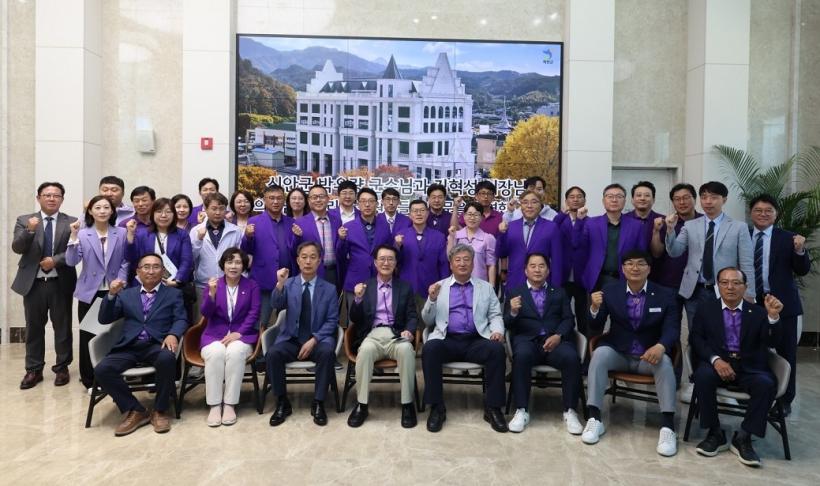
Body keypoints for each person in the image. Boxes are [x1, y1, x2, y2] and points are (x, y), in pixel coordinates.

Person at [582, 250, 680, 457]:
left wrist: (661, 346)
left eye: (640, 264)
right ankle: (594, 417)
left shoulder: (665, 295)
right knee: (599, 355)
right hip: (619, 353)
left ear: (649, 269)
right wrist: (594, 307)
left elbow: (672, 329)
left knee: (664, 363)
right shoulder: (611, 291)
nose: (635, 268)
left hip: (648, 357)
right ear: (623, 269)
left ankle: (667, 426)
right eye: (629, 264)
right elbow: (596, 325)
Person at [665, 181, 755, 401]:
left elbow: (746, 262)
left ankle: (725, 382)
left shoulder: (738, 227)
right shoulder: (691, 225)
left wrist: (748, 293)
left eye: (713, 197)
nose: (708, 201)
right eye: (704, 197)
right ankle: (697, 381)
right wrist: (670, 230)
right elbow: (675, 251)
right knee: (696, 336)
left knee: (726, 336)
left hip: (725, 292)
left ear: (724, 200)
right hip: (695, 291)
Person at [690, 267, 784, 467]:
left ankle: (744, 437)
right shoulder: (706, 309)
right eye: (724, 283)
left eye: (736, 283)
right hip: (717, 364)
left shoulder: (759, 312)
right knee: (702, 377)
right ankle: (715, 432)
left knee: (766, 384)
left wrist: (773, 318)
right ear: (718, 286)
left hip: (749, 366)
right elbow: (696, 339)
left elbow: (773, 342)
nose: (730, 287)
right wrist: (715, 360)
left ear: (745, 286)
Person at [93, 253, 188, 436]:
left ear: (163, 271)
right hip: (129, 346)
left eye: (156, 267)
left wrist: (173, 334)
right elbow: (104, 319)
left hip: (157, 344)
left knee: (167, 359)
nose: (151, 271)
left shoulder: (174, 294)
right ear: (138, 272)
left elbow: (181, 319)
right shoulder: (126, 294)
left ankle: (160, 410)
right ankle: (136, 410)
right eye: (146, 267)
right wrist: (111, 295)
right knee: (102, 370)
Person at [421, 244, 508, 433]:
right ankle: (436, 407)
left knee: (496, 350)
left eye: (466, 260)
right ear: (451, 264)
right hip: (447, 339)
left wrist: (497, 331)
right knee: (430, 349)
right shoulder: (439, 286)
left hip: (476, 339)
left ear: (473, 264)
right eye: (458, 260)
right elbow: (427, 320)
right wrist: (432, 300)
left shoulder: (485, 287)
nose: (462, 264)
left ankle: (493, 408)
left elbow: (495, 315)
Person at [505, 253, 582, 434]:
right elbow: (506, 323)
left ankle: (570, 411)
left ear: (548, 271)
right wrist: (513, 312)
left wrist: (558, 336)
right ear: (526, 270)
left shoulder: (559, 292)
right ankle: (521, 410)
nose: (537, 270)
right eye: (533, 266)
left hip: (555, 342)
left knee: (571, 357)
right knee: (521, 356)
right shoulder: (515, 292)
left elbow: (569, 319)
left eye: (541, 266)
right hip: (527, 342)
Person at [748, 194, 810, 414]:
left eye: (768, 211)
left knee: (786, 353)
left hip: (783, 305)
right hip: (751, 303)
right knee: (752, 349)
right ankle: (755, 393)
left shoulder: (789, 238)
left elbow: (802, 269)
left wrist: (800, 250)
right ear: (751, 213)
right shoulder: (743, 235)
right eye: (758, 210)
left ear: (776, 215)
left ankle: (785, 400)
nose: (763, 214)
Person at [12, 182, 78, 389]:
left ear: (62, 199)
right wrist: (29, 231)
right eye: (47, 195)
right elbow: (17, 247)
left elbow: (76, 250)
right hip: (33, 283)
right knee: (34, 327)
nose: (51, 198)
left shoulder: (72, 222)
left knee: (63, 327)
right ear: (38, 198)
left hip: (60, 282)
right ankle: (34, 369)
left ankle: (62, 367)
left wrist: (55, 261)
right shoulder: (25, 220)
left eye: (56, 195)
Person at [266, 242, 339, 427]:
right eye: (304, 257)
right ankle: (282, 402)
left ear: (319, 261)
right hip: (292, 339)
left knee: (327, 353)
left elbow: (332, 321)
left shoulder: (329, 289)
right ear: (298, 260)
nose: (308, 261)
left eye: (313, 257)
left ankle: (319, 402)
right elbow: (276, 304)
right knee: (273, 354)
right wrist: (280, 284)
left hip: (318, 340)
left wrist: (314, 340)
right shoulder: (289, 284)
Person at [346, 245, 418, 428]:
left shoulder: (405, 287)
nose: (386, 263)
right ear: (375, 263)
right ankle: (362, 405)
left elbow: (412, 315)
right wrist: (358, 299)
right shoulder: (366, 286)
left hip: (396, 336)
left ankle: (407, 404)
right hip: (372, 336)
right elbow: (354, 318)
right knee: (365, 351)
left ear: (396, 263)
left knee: (407, 350)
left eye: (390, 259)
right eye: (382, 259)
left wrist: (409, 331)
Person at [66, 195, 130, 388]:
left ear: (112, 211)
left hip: (115, 290)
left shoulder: (121, 232)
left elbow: (126, 260)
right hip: (90, 292)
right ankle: (89, 380)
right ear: (90, 211)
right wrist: (73, 237)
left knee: (114, 334)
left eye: (106, 207)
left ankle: (113, 376)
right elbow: (71, 261)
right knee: (89, 335)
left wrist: (121, 281)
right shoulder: (83, 234)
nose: (102, 211)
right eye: (98, 207)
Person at [200, 248, 260, 427]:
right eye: (229, 262)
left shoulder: (252, 286)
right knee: (216, 353)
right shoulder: (213, 285)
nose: (233, 266)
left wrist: (239, 333)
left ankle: (230, 404)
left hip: (242, 336)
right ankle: (214, 405)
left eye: (238, 262)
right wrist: (211, 294)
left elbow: (254, 313)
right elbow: (206, 313)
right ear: (223, 265)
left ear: (244, 266)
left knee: (234, 352)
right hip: (214, 336)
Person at [572, 183, 648, 293]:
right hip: (596, 280)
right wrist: (579, 220)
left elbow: (641, 254)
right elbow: (576, 245)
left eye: (619, 196)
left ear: (625, 201)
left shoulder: (636, 226)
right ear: (603, 201)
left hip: (625, 280)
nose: (614, 200)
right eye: (610, 196)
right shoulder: (591, 223)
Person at [125, 198, 194, 318]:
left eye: (168, 212)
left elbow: (186, 260)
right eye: (159, 211)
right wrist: (130, 235)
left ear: (174, 214)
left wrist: (177, 280)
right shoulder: (142, 234)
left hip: (172, 286)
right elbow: (131, 258)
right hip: (146, 286)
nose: (163, 215)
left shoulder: (182, 234)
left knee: (173, 318)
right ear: (152, 214)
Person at [241, 184, 294, 328]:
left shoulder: (291, 222)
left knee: (286, 322)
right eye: (271, 198)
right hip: (263, 278)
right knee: (260, 322)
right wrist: (247, 236)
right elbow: (246, 250)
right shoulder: (254, 221)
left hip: (287, 279)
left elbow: (295, 250)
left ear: (284, 200)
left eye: (279, 198)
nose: (275, 201)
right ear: (264, 200)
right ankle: (258, 343)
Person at [190, 192, 243, 323]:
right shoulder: (196, 230)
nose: (218, 212)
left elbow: (240, 258)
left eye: (221, 208)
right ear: (206, 209)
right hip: (203, 284)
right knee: (202, 322)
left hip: (230, 284)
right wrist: (198, 240)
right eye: (214, 208)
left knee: (227, 321)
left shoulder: (235, 230)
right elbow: (190, 258)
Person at [496, 190, 564, 291]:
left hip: (541, 285)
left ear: (541, 205)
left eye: (534, 202)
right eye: (525, 202)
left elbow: (557, 261)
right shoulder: (511, 226)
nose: (529, 206)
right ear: (521, 206)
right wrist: (502, 234)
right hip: (515, 284)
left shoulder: (551, 227)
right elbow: (501, 253)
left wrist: (555, 289)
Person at [336, 188, 393, 306]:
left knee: (379, 314)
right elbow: (341, 255)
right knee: (354, 315)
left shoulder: (385, 226)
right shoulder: (348, 227)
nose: (367, 205)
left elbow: (389, 250)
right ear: (358, 204)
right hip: (355, 280)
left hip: (379, 279)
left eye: (371, 201)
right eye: (363, 201)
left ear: (377, 204)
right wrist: (341, 239)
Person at [395, 199, 449, 314]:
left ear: (428, 213)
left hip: (431, 287)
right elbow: (395, 262)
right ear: (410, 215)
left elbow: (443, 264)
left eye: (422, 210)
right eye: (415, 211)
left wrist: (443, 286)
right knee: (407, 321)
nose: (419, 214)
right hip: (406, 286)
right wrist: (397, 246)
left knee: (428, 321)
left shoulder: (439, 237)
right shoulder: (400, 235)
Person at [292, 184, 343, 287]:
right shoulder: (300, 223)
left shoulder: (336, 221)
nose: (318, 200)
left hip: (333, 272)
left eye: (321, 196)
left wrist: (342, 239)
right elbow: (293, 251)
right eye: (314, 197)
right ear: (309, 201)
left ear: (328, 199)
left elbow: (340, 248)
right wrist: (296, 237)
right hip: (311, 273)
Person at [557, 186, 589, 336]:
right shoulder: (560, 220)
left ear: (584, 200)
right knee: (562, 313)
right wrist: (561, 215)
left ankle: (584, 344)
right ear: (566, 201)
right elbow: (550, 230)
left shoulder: (591, 222)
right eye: (572, 196)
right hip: (563, 274)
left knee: (583, 314)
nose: (575, 199)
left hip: (582, 275)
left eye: (579, 196)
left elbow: (579, 243)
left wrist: (580, 221)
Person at [447, 201, 497, 286]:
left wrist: (491, 287)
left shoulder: (488, 238)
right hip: (458, 284)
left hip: (480, 284)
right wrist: (451, 237)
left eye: (476, 215)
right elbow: (449, 258)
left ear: (481, 217)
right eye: (469, 214)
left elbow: (491, 265)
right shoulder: (455, 235)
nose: (472, 218)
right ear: (464, 216)